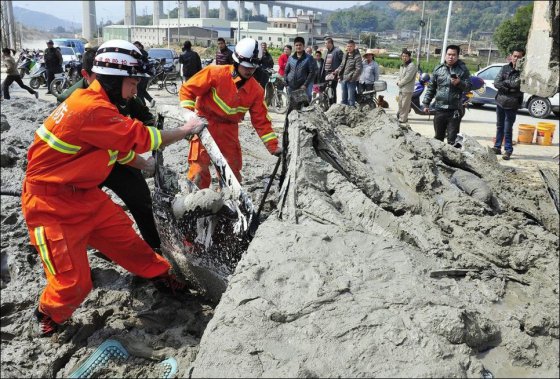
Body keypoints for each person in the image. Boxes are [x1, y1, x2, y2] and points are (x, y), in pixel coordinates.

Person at [23, 40, 205, 336]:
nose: (136, 90)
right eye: (133, 82)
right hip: (51, 207)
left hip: (83, 195)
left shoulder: (99, 104)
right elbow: (143, 138)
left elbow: (113, 147)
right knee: (73, 284)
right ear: (113, 79)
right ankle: (49, 314)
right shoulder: (89, 108)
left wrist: (141, 164)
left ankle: (160, 275)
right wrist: (186, 130)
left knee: (126, 240)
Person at [57, 46, 162, 250]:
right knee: (80, 212)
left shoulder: (123, 91)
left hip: (117, 160)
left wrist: (143, 150)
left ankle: (155, 246)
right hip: (83, 166)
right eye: (99, 78)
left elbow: (143, 118)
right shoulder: (73, 99)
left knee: (141, 201)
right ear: (87, 75)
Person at [179, 37, 281, 189]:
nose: (249, 70)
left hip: (229, 131)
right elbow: (187, 89)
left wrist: (273, 146)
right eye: (246, 66)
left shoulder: (256, 91)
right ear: (237, 61)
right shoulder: (215, 73)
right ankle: (197, 202)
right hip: (204, 125)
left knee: (232, 174)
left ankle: (228, 203)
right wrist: (189, 114)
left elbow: (261, 121)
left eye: (252, 67)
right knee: (199, 170)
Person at [422, 45, 471, 146]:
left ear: (457, 56)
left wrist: (459, 83)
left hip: (454, 110)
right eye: (449, 54)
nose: (451, 57)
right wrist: (426, 103)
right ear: (445, 55)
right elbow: (431, 88)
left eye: (453, 55)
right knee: (438, 138)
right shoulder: (438, 69)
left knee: (453, 140)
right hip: (439, 109)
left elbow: (469, 87)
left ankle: (453, 161)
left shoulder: (463, 70)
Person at [492, 47, 525, 160]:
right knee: (499, 126)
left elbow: (517, 85)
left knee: (507, 128)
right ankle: (497, 147)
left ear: (523, 58)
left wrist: (505, 84)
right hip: (500, 101)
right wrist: (508, 87)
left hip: (512, 103)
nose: (516, 59)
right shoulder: (504, 68)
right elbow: (496, 83)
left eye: (519, 57)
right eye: (515, 56)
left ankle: (508, 150)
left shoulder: (523, 72)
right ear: (511, 56)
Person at [284, 36, 316, 101]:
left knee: (303, 106)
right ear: (294, 46)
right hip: (291, 86)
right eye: (297, 45)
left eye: (300, 45)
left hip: (302, 87)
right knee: (291, 106)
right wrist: (286, 82)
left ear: (303, 46)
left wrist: (305, 85)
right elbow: (286, 71)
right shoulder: (291, 58)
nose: (298, 47)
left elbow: (312, 72)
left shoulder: (309, 58)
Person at [336, 40, 362, 107]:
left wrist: (353, 78)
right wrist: (337, 71)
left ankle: (352, 113)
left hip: (351, 80)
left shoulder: (357, 56)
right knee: (344, 98)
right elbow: (342, 65)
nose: (349, 48)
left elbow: (358, 69)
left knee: (350, 99)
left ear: (354, 47)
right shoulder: (345, 55)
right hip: (343, 79)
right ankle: (344, 114)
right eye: (348, 46)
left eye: (350, 46)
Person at [396, 49, 417, 124]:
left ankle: (403, 120)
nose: (404, 57)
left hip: (407, 89)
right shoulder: (403, 65)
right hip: (401, 89)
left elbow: (408, 77)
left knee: (405, 106)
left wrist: (400, 83)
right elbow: (400, 76)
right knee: (400, 105)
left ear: (409, 57)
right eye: (403, 56)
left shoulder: (412, 65)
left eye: (406, 56)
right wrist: (398, 81)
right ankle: (401, 118)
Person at [133, 40, 155, 108]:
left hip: (142, 76)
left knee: (139, 91)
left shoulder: (140, 54)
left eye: (136, 46)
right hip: (145, 75)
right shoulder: (143, 53)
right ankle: (150, 100)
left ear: (140, 46)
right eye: (134, 47)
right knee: (141, 90)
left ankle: (142, 106)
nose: (135, 48)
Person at [323, 37, 344, 104]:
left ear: (330, 43)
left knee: (332, 90)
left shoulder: (338, 51)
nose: (325, 45)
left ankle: (333, 105)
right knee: (328, 91)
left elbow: (343, 63)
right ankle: (329, 105)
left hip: (334, 74)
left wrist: (338, 71)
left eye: (326, 43)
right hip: (327, 75)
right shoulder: (327, 52)